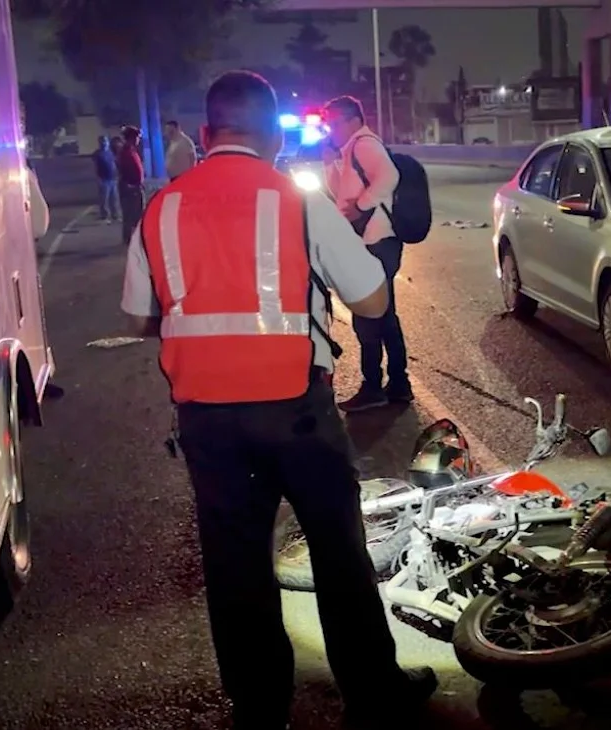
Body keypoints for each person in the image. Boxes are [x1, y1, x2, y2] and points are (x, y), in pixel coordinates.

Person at [119, 70, 437, 730]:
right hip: (297, 412)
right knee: (338, 551)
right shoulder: (297, 201)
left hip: (205, 418)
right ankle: (373, 694)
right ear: (273, 140)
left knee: (236, 564)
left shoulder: (163, 206)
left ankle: (261, 711)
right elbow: (372, 300)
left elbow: (139, 317)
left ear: (206, 136)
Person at [321, 95, 411, 413]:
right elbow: (338, 192)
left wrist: (361, 206)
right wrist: (331, 161)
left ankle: (377, 387)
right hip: (370, 243)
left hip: (378, 242)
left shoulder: (364, 144)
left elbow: (389, 177)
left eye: (332, 123)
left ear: (350, 120)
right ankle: (396, 385)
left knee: (369, 316)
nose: (329, 129)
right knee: (381, 315)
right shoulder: (349, 150)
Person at [116, 125, 145, 245]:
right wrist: (131, 184)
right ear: (132, 138)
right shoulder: (126, 152)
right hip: (130, 187)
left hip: (132, 186)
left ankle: (132, 239)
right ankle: (130, 240)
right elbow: (126, 170)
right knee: (132, 214)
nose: (138, 140)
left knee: (134, 213)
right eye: (137, 137)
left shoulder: (130, 150)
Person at [92, 135, 120, 224]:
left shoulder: (111, 152)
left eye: (105, 141)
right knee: (104, 199)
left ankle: (115, 215)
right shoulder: (97, 154)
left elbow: (114, 164)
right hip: (103, 179)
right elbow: (95, 167)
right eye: (102, 141)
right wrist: (98, 178)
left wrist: (117, 175)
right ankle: (104, 216)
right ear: (99, 143)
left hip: (113, 179)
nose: (104, 143)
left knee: (114, 198)